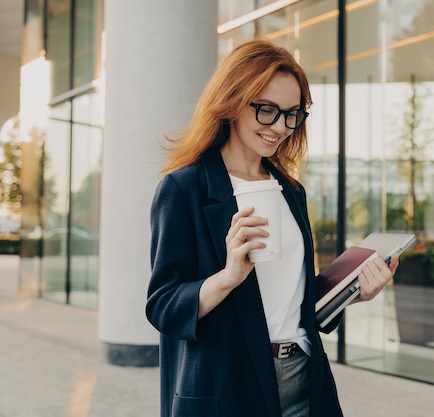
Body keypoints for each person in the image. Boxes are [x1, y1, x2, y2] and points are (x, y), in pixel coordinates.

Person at [146, 38, 399, 417]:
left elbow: (292, 304)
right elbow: (163, 307)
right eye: (267, 110)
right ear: (231, 102)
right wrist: (228, 276)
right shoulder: (185, 189)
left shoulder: (291, 190)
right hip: (226, 384)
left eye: (292, 113)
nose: (280, 126)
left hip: (303, 375)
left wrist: (352, 294)